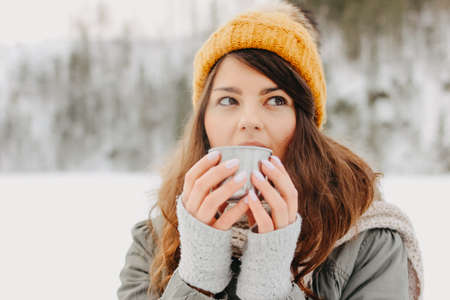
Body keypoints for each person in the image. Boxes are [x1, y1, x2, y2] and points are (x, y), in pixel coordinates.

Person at [117, 2, 424, 299]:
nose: (249, 122)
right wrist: (197, 278)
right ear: (203, 121)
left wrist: (270, 285)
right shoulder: (155, 241)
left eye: (276, 100)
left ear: (304, 120)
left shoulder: (368, 239)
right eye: (228, 101)